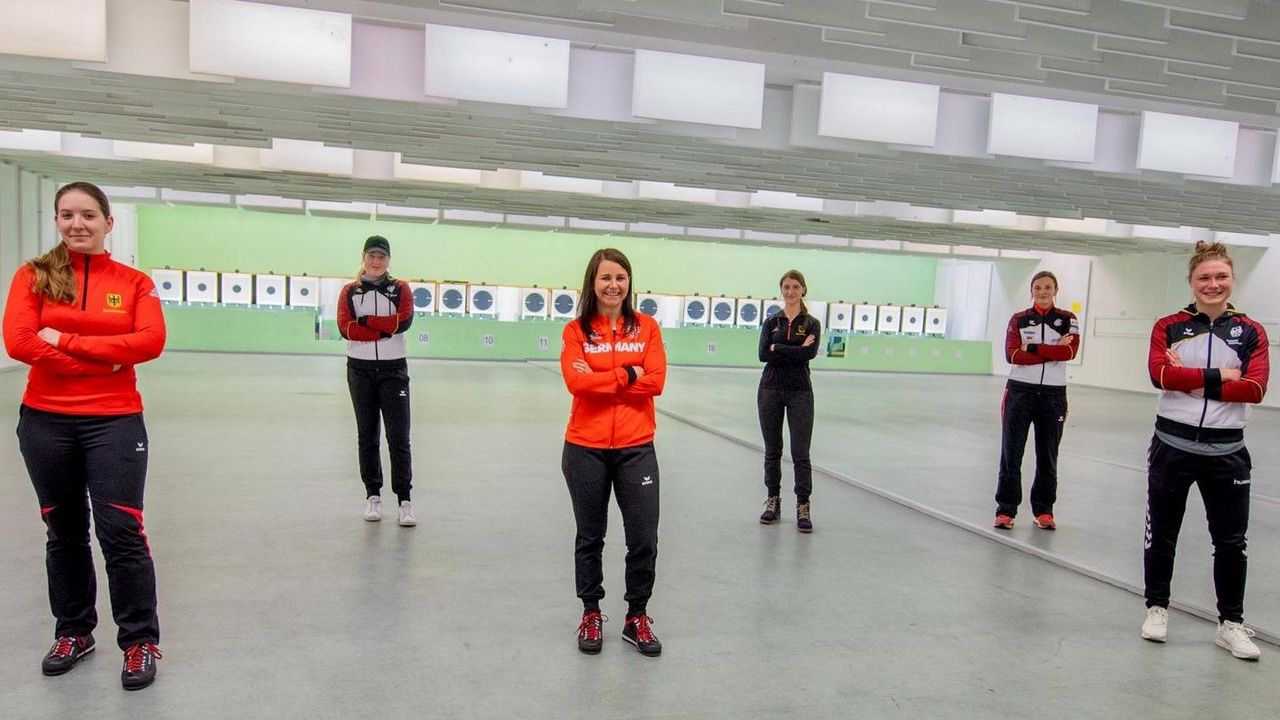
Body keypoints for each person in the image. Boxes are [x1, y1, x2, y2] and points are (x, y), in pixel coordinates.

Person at [2, 182, 167, 690]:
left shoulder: (134, 283)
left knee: (121, 532)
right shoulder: (33, 277)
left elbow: (151, 341)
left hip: (114, 421)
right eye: (68, 214)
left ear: (107, 222)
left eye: (89, 215)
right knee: (64, 530)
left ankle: (139, 642)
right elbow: (19, 341)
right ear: (57, 220)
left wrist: (68, 341)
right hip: (45, 421)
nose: (78, 224)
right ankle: (74, 631)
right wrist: (104, 358)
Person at [1140, 241, 1269, 660]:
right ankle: (1157, 608)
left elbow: (1254, 388)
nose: (1213, 285)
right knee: (1162, 534)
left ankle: (1230, 623)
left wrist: (1191, 380)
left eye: (1221, 277)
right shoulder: (1169, 326)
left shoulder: (1251, 332)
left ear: (1232, 280)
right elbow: (1160, 375)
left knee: (1231, 542)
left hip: (1228, 452)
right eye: (1204, 278)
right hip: (1171, 447)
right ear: (1191, 282)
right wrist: (1219, 377)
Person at [560, 248, 667, 656]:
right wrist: (627, 373)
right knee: (590, 535)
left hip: (636, 446)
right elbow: (576, 384)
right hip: (584, 447)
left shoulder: (648, 328)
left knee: (644, 537)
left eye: (620, 277)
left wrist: (602, 377)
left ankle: (635, 616)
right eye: (605, 277)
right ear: (593, 282)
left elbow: (656, 381)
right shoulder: (576, 331)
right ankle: (590, 611)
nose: (613, 285)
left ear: (629, 282)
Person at [336, 235, 416, 526]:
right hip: (360, 370)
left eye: (382, 256)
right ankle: (373, 496)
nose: (376, 261)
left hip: (394, 371)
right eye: (372, 255)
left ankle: (404, 501)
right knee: (367, 436)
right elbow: (346, 328)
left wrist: (367, 322)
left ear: (388, 260)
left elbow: (403, 321)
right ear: (364, 258)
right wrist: (383, 330)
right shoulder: (349, 291)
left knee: (398, 438)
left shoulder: (401, 289)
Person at [993, 271, 1079, 530]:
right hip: (1019, 392)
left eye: (1047, 287)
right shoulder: (1019, 319)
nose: (1042, 292)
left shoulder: (1067, 319)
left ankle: (1044, 510)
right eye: (1038, 287)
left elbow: (1070, 351)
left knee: (1048, 455)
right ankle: (1006, 510)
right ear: (1031, 291)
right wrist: (1051, 352)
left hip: (1053, 396)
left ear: (1056, 289)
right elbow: (1011, 355)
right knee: (1012, 452)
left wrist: (1030, 348)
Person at [756, 270, 821, 532]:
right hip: (770, 390)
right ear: (781, 290)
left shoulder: (813, 323)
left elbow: (810, 353)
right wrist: (795, 350)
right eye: (786, 287)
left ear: (803, 290)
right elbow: (762, 354)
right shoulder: (771, 322)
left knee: (800, 454)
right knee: (772, 451)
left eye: (795, 287)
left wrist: (778, 348)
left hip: (800, 392)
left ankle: (802, 506)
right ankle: (773, 501)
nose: (790, 291)